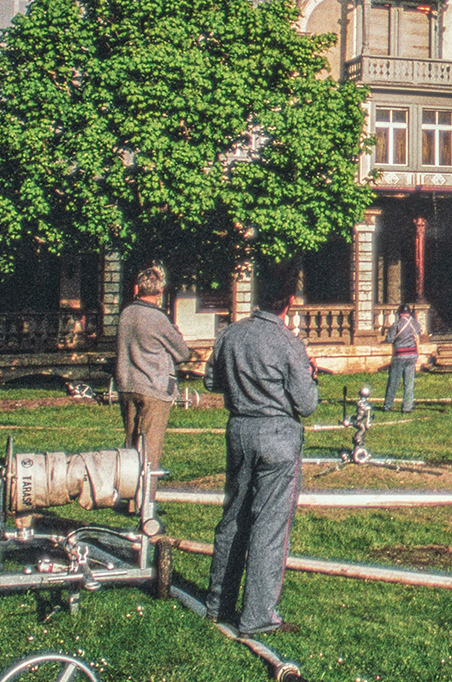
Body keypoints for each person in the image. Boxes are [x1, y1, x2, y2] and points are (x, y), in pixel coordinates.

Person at [201, 276, 319, 637]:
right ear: (290, 302)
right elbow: (307, 403)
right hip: (277, 435)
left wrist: (243, 383)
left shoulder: (230, 334)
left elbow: (210, 381)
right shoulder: (289, 343)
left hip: (239, 430)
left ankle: (217, 604)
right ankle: (258, 616)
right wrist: (310, 375)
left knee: (233, 517)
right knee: (269, 527)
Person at [114, 265, 193, 471]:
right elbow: (183, 353)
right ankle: (144, 502)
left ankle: (129, 497)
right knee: (149, 453)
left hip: (127, 384)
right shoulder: (158, 318)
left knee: (131, 450)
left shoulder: (126, 314)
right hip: (154, 387)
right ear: (160, 292)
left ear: (136, 289)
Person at [384, 302, 423, 413]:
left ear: (400, 313)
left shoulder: (397, 324)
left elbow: (390, 339)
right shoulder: (416, 324)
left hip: (399, 355)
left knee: (393, 382)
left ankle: (388, 405)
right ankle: (407, 407)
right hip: (412, 355)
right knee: (409, 383)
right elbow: (418, 335)